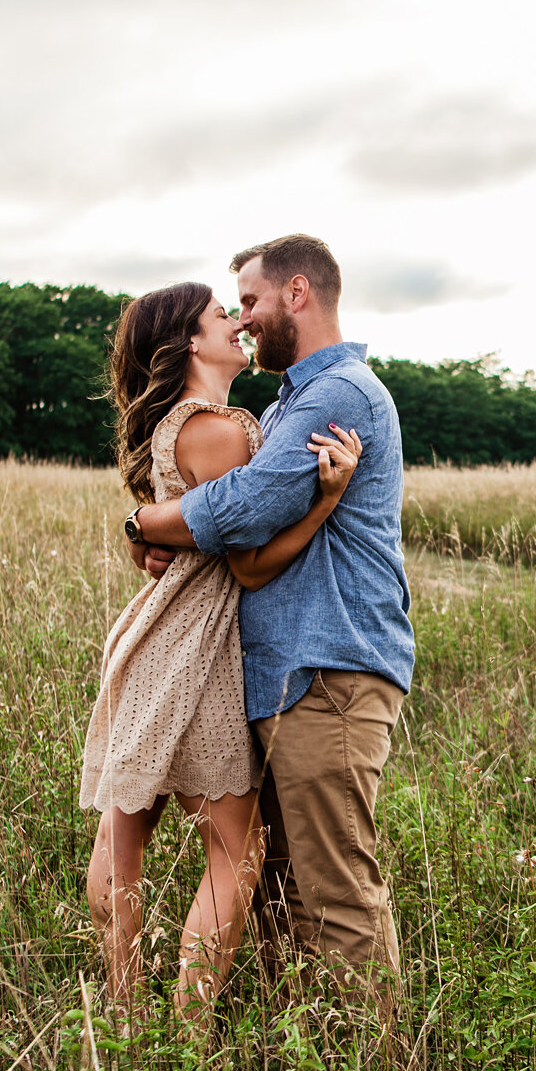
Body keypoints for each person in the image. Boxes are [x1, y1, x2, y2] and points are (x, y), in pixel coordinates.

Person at [127, 233, 415, 1011]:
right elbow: (245, 542)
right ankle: (303, 1067)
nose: (244, 319)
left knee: (336, 891)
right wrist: (156, 531)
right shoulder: (289, 400)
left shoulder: (338, 394)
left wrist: (144, 520)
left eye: (249, 301)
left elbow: (245, 506)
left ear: (297, 294)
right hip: (290, 676)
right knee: (281, 892)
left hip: (331, 669)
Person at [83, 280, 364, 1023]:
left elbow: (178, 531)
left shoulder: (198, 424)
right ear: (188, 344)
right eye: (221, 315)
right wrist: (329, 500)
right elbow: (247, 564)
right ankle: (183, 1022)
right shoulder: (219, 428)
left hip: (156, 639)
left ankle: (123, 1014)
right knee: (236, 855)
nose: (238, 322)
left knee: (124, 831)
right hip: (192, 649)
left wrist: (142, 529)